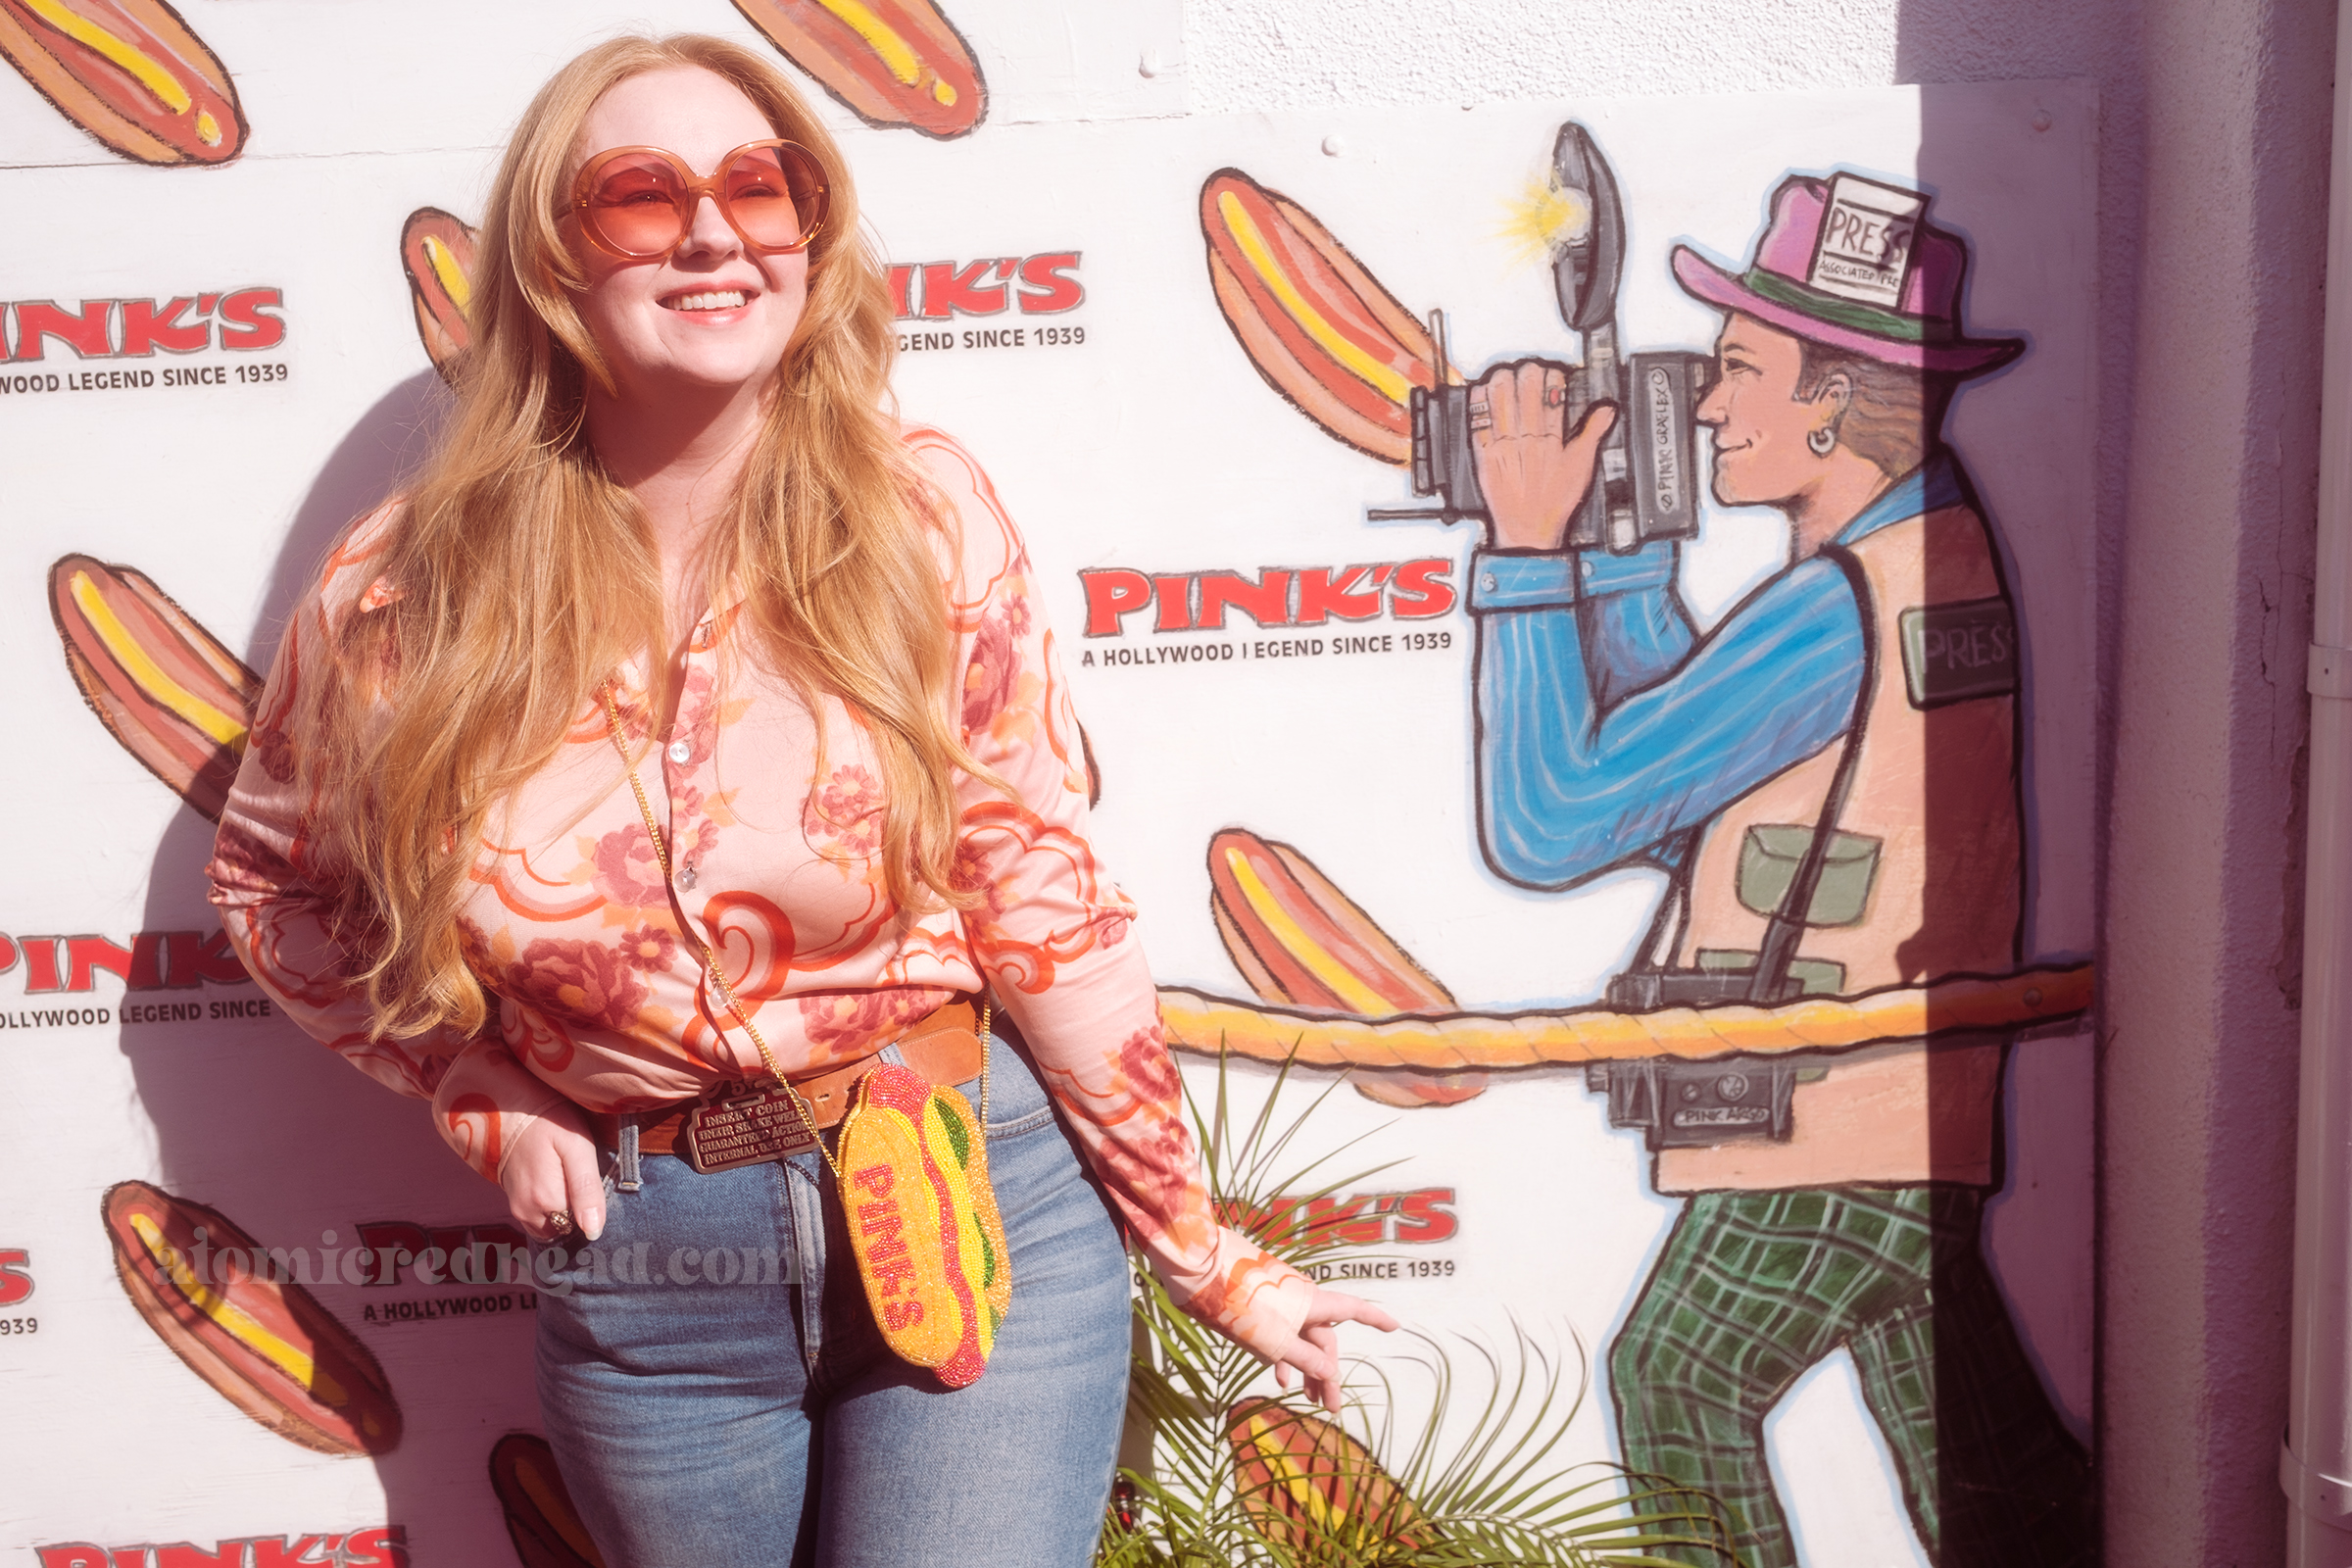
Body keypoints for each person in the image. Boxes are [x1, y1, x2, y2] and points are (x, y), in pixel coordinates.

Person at [207, 33, 1392, 1566]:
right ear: (554, 259)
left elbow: (1038, 890)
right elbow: (273, 887)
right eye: (643, 194)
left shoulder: (918, 516)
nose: (714, 232)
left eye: (761, 186)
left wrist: (1207, 1253)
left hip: (965, 1194)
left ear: (810, 232)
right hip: (654, 1276)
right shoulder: (404, 591)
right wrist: (474, 1083)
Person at [1458, 175, 2091, 1566]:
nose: (1706, 405)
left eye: (1740, 368)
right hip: (1905, 1101)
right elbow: (1715, 801)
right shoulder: (1927, 554)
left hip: (1838, 1113)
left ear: (1833, 401)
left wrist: (1525, 554)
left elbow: (1557, 820)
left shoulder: (1835, 609)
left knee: (1677, 1378)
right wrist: (1629, 559)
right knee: (1994, 1474)